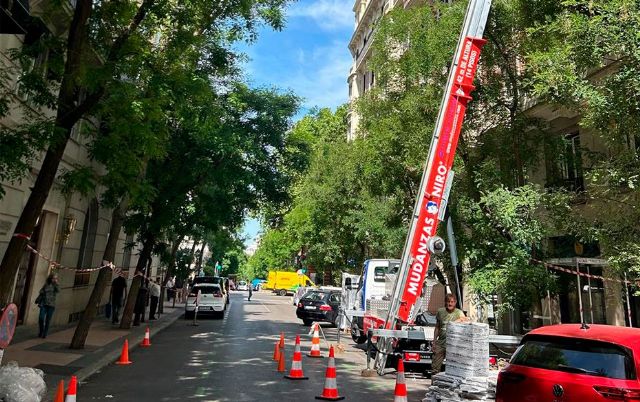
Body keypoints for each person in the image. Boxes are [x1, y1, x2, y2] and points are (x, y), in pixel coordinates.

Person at [431, 293, 466, 374]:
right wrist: (434, 341)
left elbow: (465, 320)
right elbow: (437, 327)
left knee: (453, 368)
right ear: (445, 302)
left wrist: (455, 322)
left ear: (455, 302)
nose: (450, 304)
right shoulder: (440, 311)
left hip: (453, 344)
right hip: (441, 343)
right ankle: (434, 384)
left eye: (452, 302)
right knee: (435, 367)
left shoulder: (458, 312)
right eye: (448, 301)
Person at [35, 273, 59, 338]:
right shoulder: (46, 285)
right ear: (50, 278)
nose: (54, 279)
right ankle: (41, 331)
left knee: (48, 320)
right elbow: (41, 291)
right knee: (41, 318)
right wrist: (41, 294)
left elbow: (58, 291)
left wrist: (56, 283)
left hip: (51, 305)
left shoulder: (55, 286)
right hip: (44, 304)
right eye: (53, 278)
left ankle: (45, 333)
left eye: (56, 278)